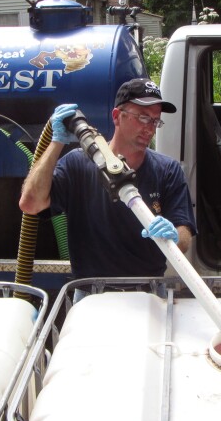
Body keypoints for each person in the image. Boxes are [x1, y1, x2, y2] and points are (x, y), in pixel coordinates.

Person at [19, 78, 196, 280]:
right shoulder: (77, 165)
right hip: (91, 293)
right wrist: (56, 142)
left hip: (148, 292)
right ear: (117, 116)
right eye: (143, 118)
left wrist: (173, 234)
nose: (150, 128)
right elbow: (31, 204)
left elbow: (184, 238)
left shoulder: (167, 170)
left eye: (156, 121)